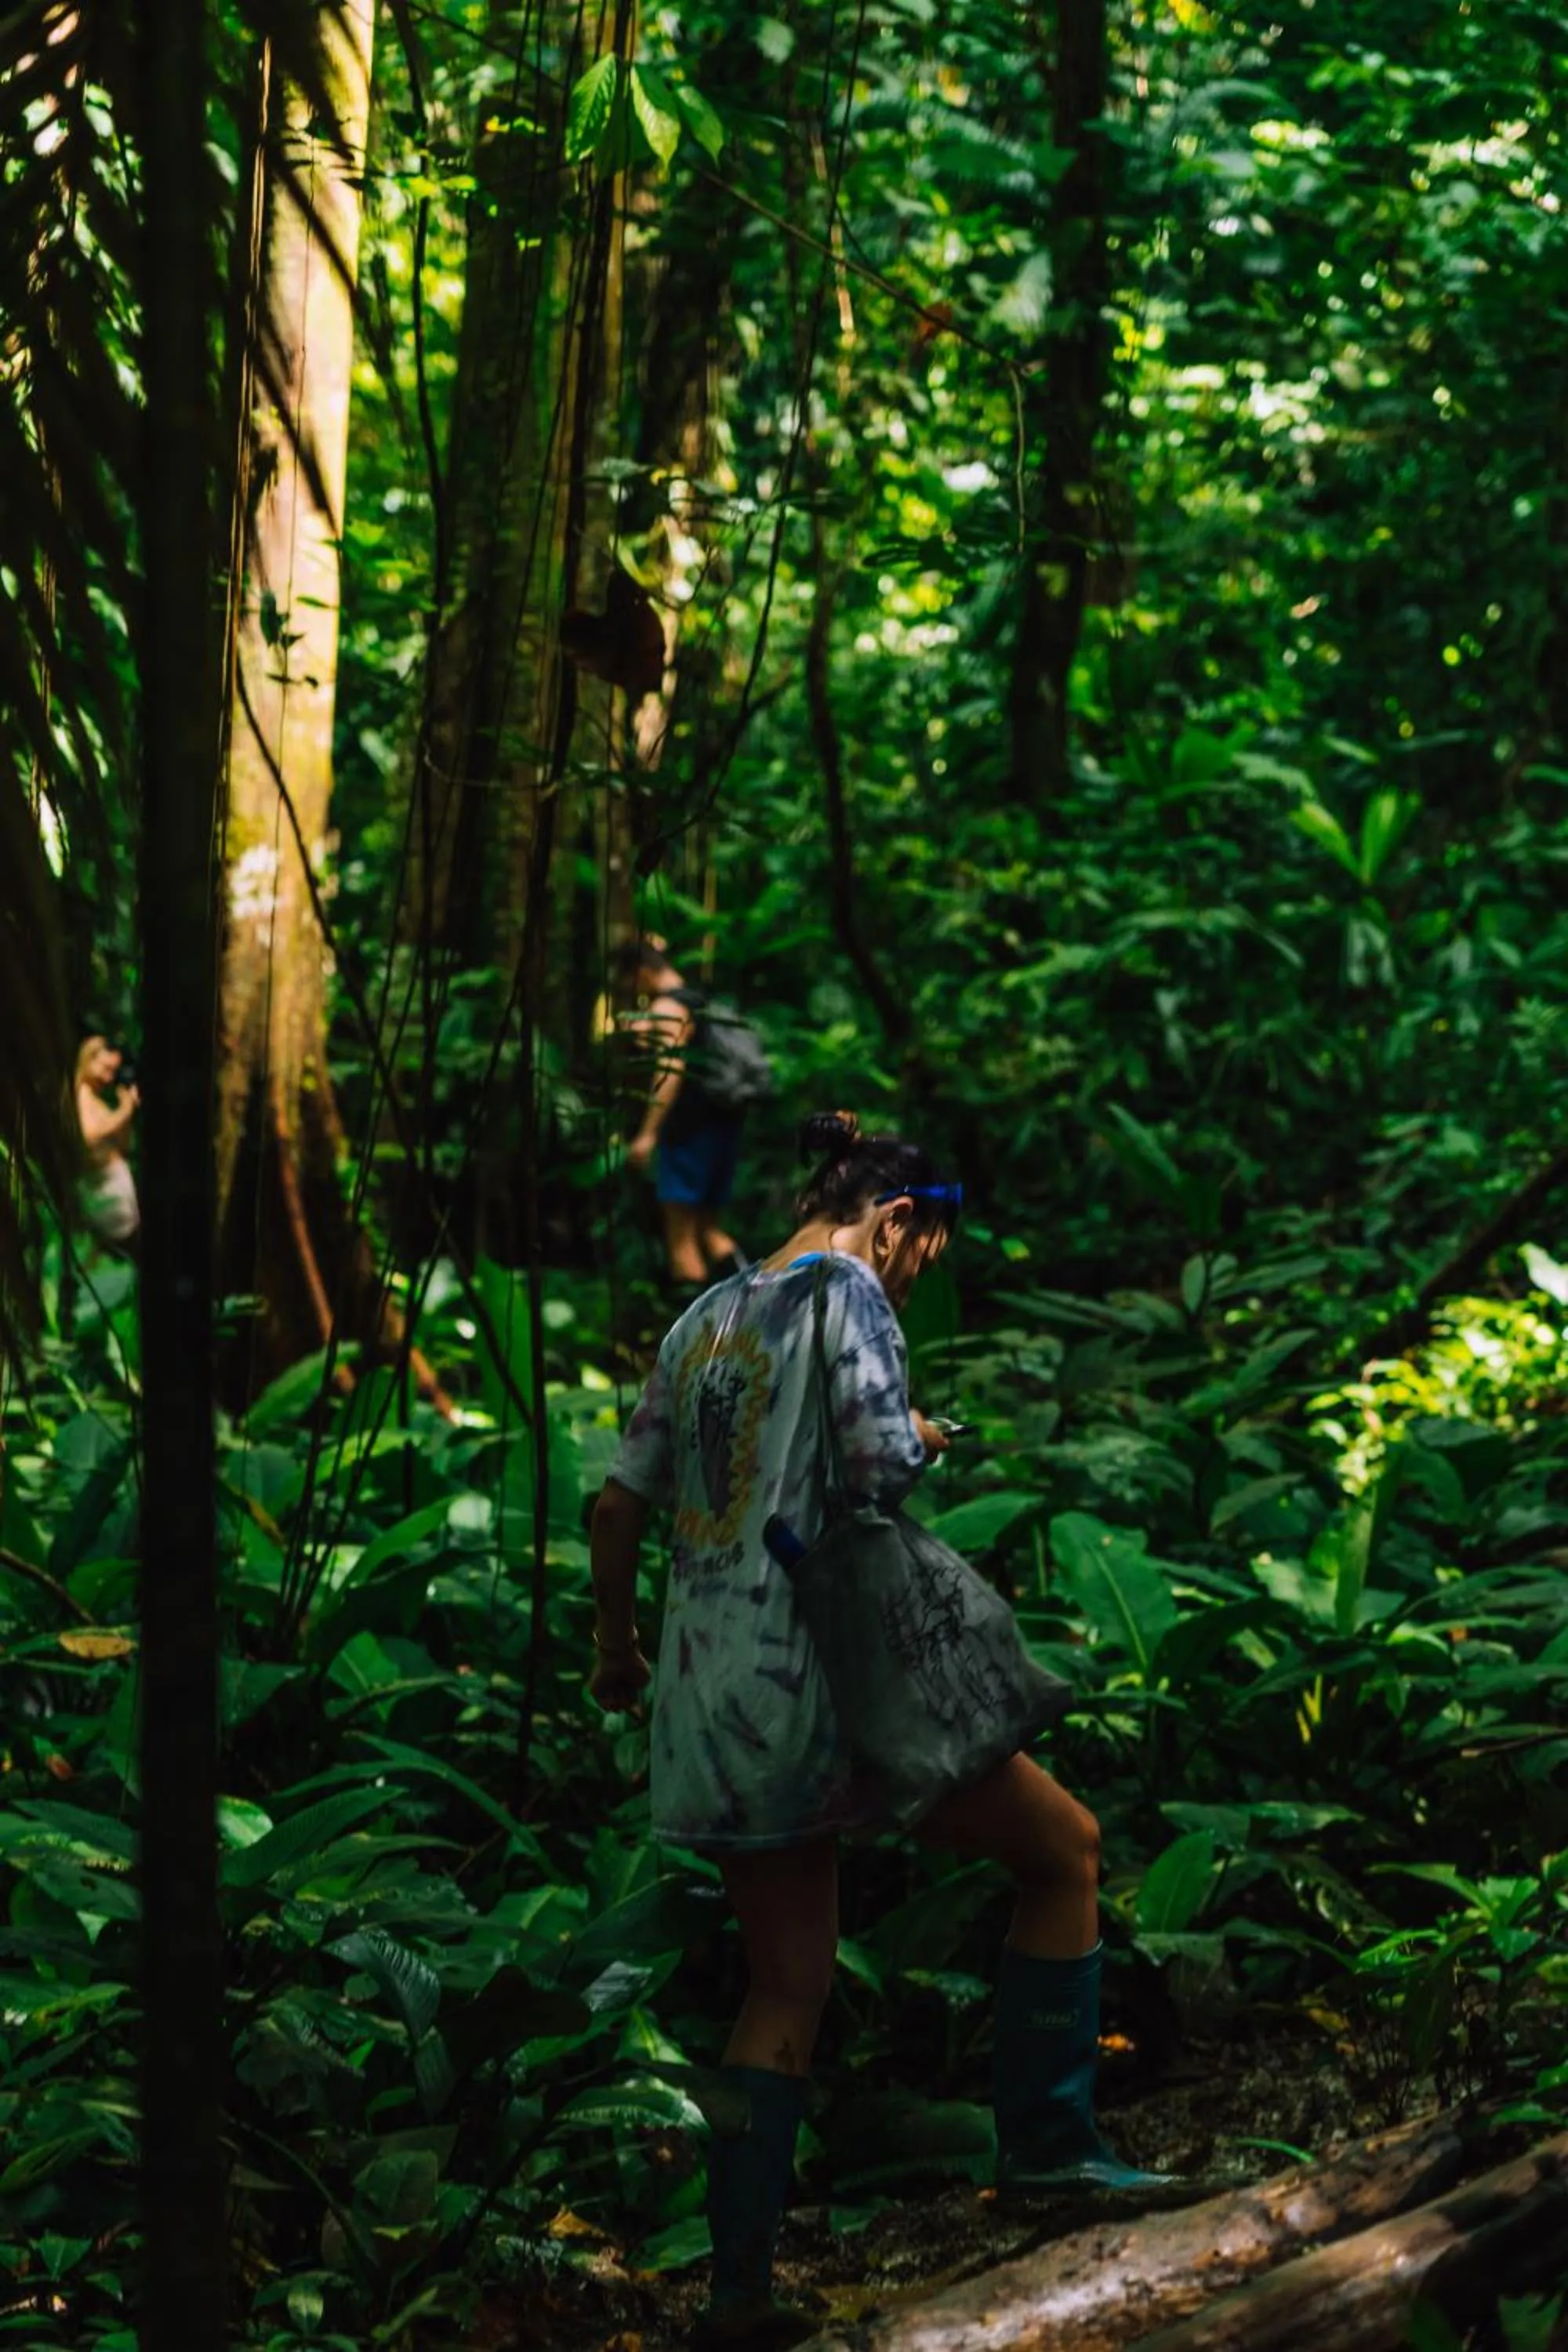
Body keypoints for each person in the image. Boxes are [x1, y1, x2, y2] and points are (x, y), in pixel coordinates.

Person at [587, 1111, 1171, 2346]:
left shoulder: (707, 1315)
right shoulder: (848, 1293)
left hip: (708, 1700)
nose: (913, 1279)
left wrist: (616, 1650)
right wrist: (924, 1434)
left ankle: (738, 2296)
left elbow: (614, 1506)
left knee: (787, 1978)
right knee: (1062, 1847)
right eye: (924, 1257)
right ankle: (1053, 2154)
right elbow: (875, 1468)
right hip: (827, 1684)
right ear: (896, 1221)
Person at [616, 938, 749, 1294]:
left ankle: (699, 1339)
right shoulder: (697, 1000)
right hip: (721, 1123)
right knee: (710, 1229)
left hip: (687, 1130)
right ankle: (753, 1304)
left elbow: (671, 1069)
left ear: (642, 973)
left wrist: (648, 1133)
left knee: (681, 1236)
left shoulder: (667, 1007)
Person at [74, 1035, 140, 1253]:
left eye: (113, 1071)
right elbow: (89, 1135)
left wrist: (127, 1109)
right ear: (90, 1059)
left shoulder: (97, 1100)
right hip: (102, 1189)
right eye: (106, 1067)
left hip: (114, 1183)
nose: (110, 1076)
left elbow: (122, 1145)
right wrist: (124, 1111)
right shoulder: (82, 1095)